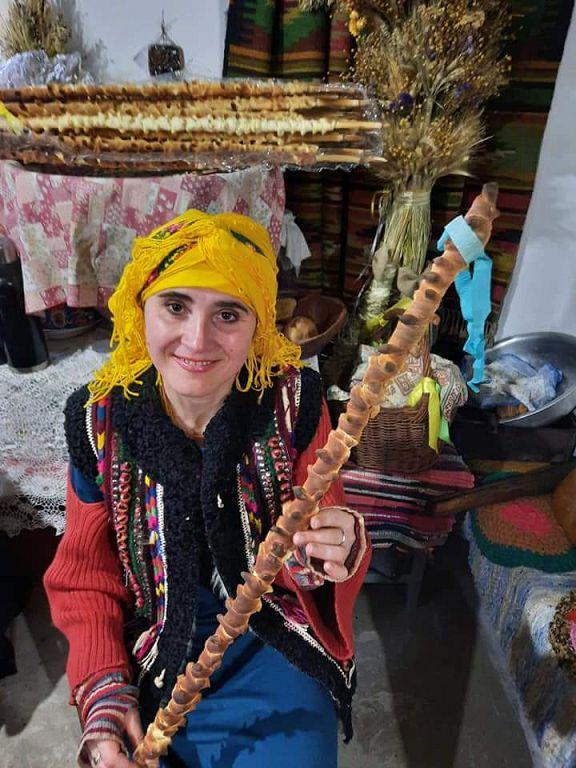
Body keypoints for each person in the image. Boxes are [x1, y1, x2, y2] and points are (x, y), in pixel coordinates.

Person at [44, 209, 370, 768]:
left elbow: (322, 535)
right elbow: (85, 578)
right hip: (152, 650)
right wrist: (104, 694)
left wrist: (333, 548)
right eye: (175, 306)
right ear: (140, 308)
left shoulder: (295, 403)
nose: (197, 339)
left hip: (272, 641)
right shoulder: (99, 422)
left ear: (258, 322)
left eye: (228, 313)